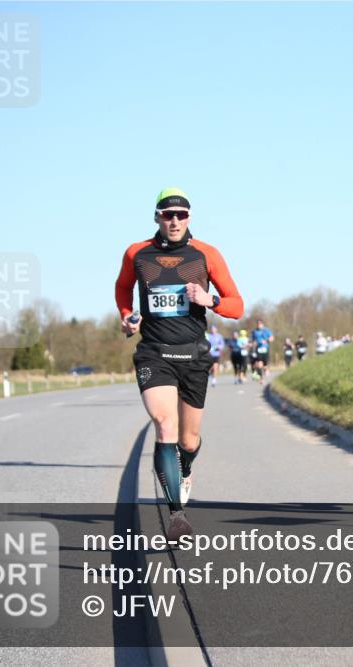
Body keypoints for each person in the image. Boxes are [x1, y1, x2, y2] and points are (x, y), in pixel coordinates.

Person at [116, 187, 243, 540]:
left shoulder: (206, 254)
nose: (174, 221)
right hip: (154, 352)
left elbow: (237, 305)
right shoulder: (136, 253)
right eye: (167, 214)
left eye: (181, 215)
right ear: (157, 216)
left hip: (193, 355)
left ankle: (184, 468)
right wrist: (127, 316)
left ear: (189, 218)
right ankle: (177, 516)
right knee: (164, 425)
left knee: (188, 440)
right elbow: (122, 288)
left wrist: (210, 299)